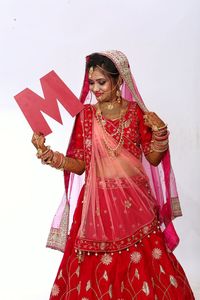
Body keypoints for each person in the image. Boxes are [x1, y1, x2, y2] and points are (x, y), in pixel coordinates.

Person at [32, 51, 194, 299]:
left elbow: (153, 159)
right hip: (96, 206)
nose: (95, 88)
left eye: (102, 82)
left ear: (119, 81)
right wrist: (48, 154)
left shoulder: (135, 113)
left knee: (147, 264)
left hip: (135, 203)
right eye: (91, 82)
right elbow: (79, 164)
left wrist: (160, 132)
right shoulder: (85, 116)